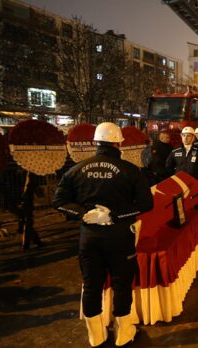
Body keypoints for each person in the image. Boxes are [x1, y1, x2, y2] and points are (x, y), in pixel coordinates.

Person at [53, 122, 153, 347]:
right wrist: (114, 216)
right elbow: (146, 204)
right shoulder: (130, 170)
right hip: (120, 237)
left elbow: (58, 201)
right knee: (121, 285)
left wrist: (84, 214)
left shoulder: (76, 169)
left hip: (89, 238)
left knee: (91, 286)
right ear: (119, 143)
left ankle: (96, 336)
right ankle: (124, 333)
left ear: (96, 142)